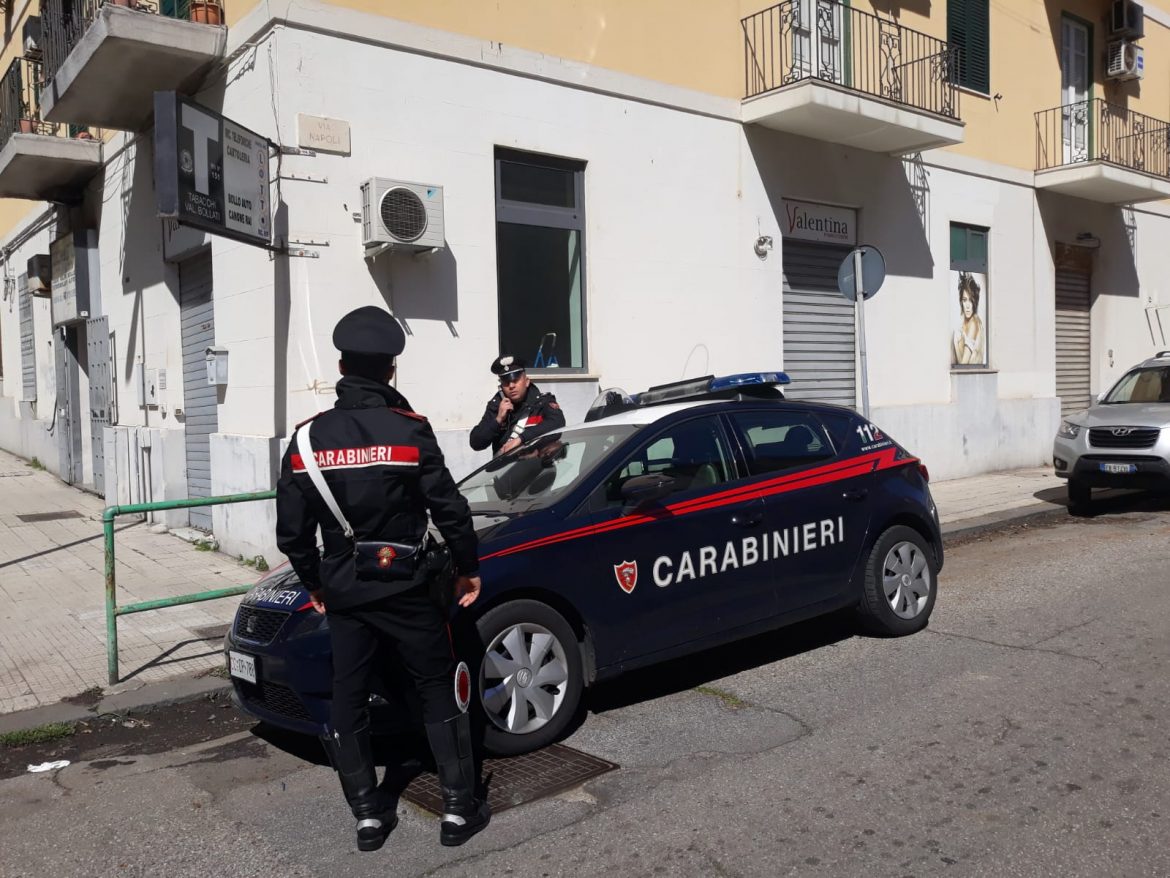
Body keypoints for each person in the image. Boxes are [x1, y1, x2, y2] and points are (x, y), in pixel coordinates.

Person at [275, 306, 490, 852]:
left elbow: (292, 533)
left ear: (342, 364)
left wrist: (316, 584)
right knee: (435, 687)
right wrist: (468, 569)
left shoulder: (305, 442)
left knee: (348, 697)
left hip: (346, 594)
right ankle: (458, 812)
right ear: (391, 370)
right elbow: (450, 509)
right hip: (410, 588)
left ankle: (368, 816)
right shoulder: (410, 431)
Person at [469, 355, 566, 455]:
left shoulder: (542, 402)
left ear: (527, 382)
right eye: (506, 382)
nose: (511, 386)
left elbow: (557, 423)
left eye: (515, 380)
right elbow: (476, 443)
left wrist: (521, 439)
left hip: (537, 468)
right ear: (501, 386)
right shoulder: (496, 406)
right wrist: (498, 420)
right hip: (507, 469)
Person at [951, 272, 985, 366]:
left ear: (975, 302)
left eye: (971, 300)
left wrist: (956, 344)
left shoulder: (974, 323)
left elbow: (963, 365)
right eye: (964, 300)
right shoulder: (964, 324)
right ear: (961, 302)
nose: (968, 306)